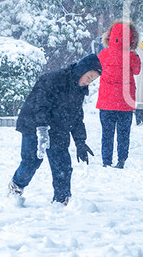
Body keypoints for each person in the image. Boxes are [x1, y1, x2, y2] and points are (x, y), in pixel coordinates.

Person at [7, 53, 102, 206]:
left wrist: (80, 142)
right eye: (89, 76)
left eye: (92, 80)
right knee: (31, 161)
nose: (88, 81)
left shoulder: (79, 90)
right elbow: (40, 105)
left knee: (62, 164)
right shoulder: (53, 79)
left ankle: (61, 199)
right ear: (81, 70)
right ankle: (16, 186)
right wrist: (42, 128)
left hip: (58, 128)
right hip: (33, 124)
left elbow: (77, 117)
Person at [96, 20, 141, 167]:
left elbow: (98, 69)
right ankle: (121, 160)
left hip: (106, 102)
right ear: (131, 39)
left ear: (109, 36)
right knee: (123, 134)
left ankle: (106, 161)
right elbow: (137, 71)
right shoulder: (132, 57)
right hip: (125, 103)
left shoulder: (103, 54)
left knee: (107, 134)